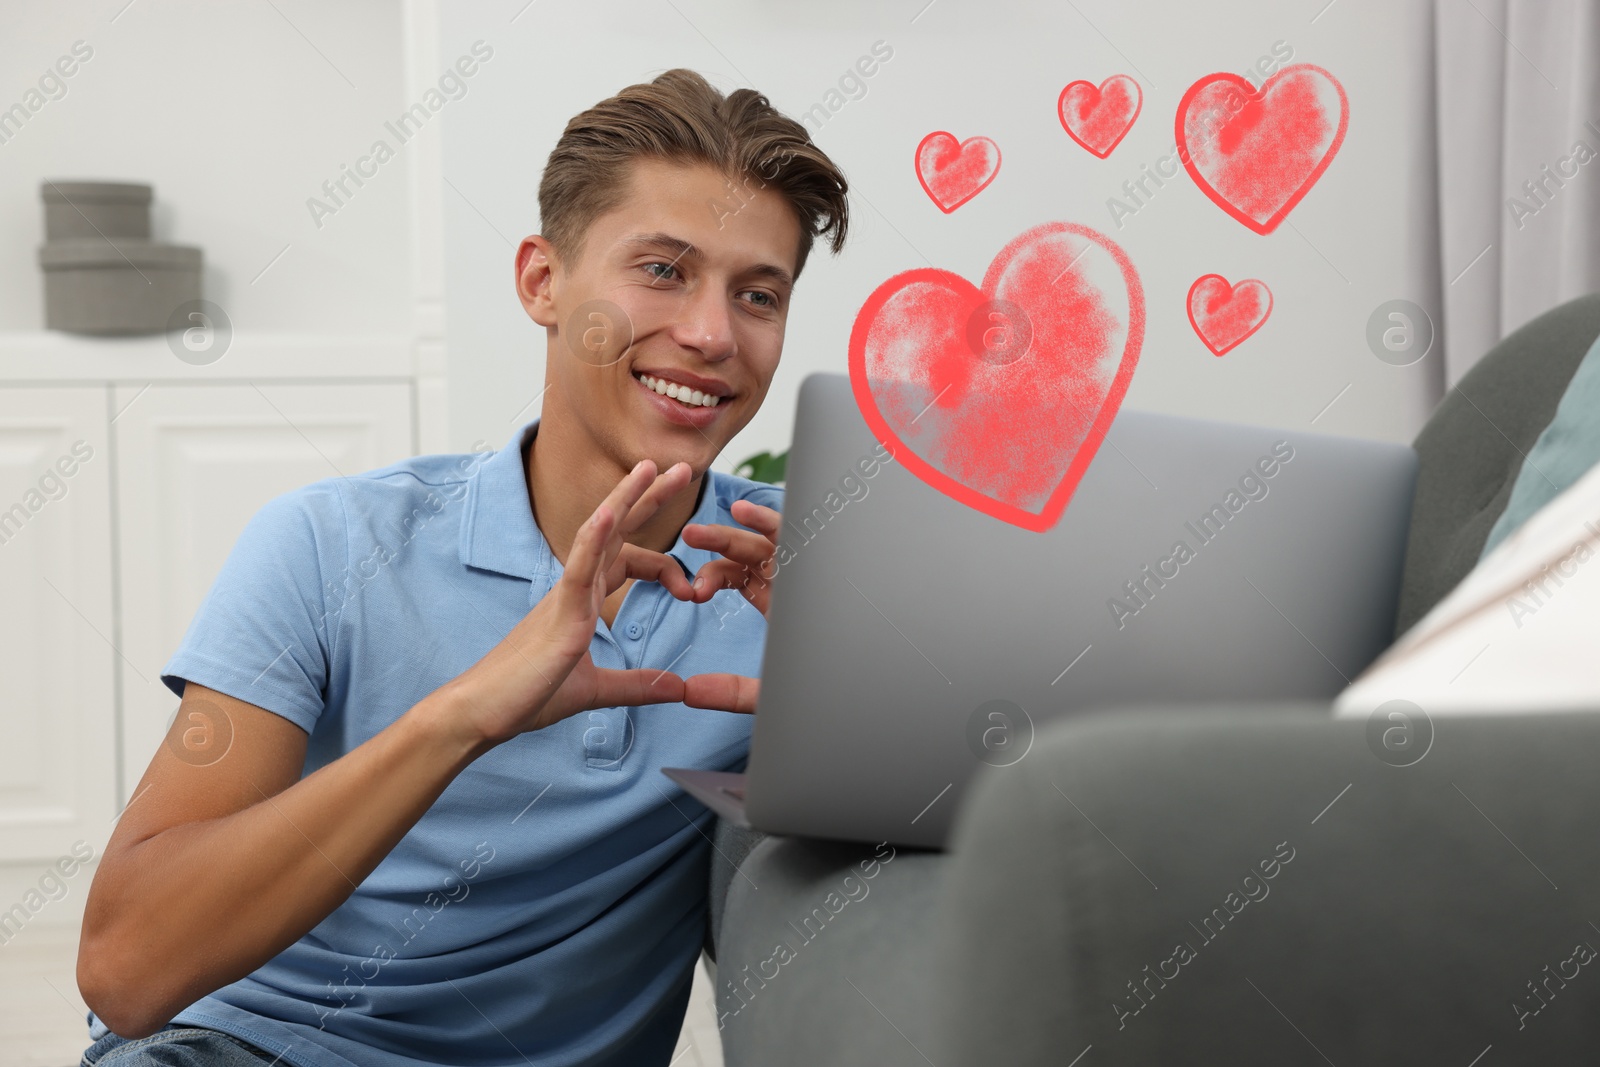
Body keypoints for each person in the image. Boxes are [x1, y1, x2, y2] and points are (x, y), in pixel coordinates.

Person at [75, 68, 850, 1066]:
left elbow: (1037, 780)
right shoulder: (332, 540)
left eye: (757, 294)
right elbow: (128, 967)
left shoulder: (801, 573)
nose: (711, 334)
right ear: (541, 282)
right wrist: (467, 712)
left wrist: (849, 666)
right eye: (662, 270)